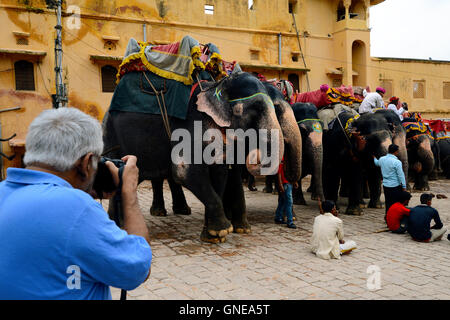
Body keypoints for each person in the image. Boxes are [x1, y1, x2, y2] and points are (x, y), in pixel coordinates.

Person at [0, 107, 152, 300]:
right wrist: (129, 194)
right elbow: (137, 269)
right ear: (87, 162)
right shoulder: (76, 208)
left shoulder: (3, 192)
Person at [373, 144, 407, 217]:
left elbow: (376, 163)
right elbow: (401, 175)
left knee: (388, 202)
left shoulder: (382, 159)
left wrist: (374, 158)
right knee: (395, 203)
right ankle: (394, 217)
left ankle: (387, 216)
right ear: (396, 152)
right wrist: (404, 186)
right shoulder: (397, 162)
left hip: (386, 185)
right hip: (395, 186)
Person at [274, 157, 297, 229]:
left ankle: (278, 217)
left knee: (282, 201)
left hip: (289, 183)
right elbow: (279, 172)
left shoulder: (288, 158)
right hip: (285, 184)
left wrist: (294, 181)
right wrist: (280, 185)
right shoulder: (282, 158)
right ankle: (290, 222)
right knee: (289, 203)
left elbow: (291, 170)